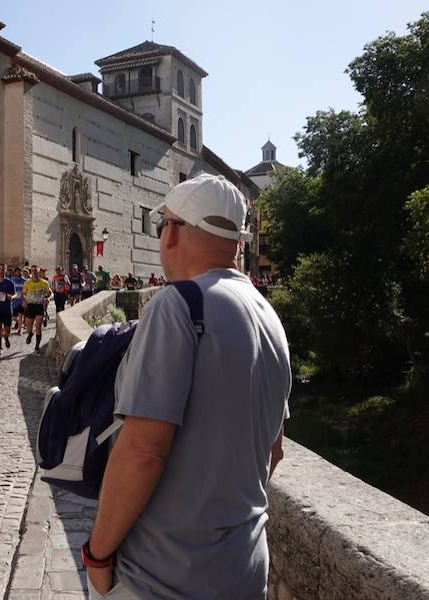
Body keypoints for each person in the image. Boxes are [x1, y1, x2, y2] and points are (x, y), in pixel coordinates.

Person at [84, 174, 291, 599]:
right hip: (246, 569)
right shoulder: (270, 317)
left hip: (164, 577)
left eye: (163, 226)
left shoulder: (178, 305)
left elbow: (142, 452)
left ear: (174, 232)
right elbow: (275, 449)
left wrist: (98, 555)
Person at [21, 266, 51, 354]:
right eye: (34, 273)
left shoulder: (44, 283)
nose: (35, 274)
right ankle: (30, 334)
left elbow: (50, 293)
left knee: (38, 326)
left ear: (39, 273)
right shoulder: (27, 283)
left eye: (37, 273)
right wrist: (24, 301)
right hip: (30, 306)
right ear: (31, 273)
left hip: (39, 306)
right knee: (29, 328)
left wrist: (48, 298)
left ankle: (37, 347)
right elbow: (23, 294)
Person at [10, 268, 26, 335]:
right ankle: (19, 323)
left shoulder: (24, 281)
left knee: (20, 315)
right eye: (17, 271)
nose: (18, 272)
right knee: (14, 316)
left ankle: (20, 330)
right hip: (14, 301)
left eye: (19, 271)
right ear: (15, 272)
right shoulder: (12, 280)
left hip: (21, 300)